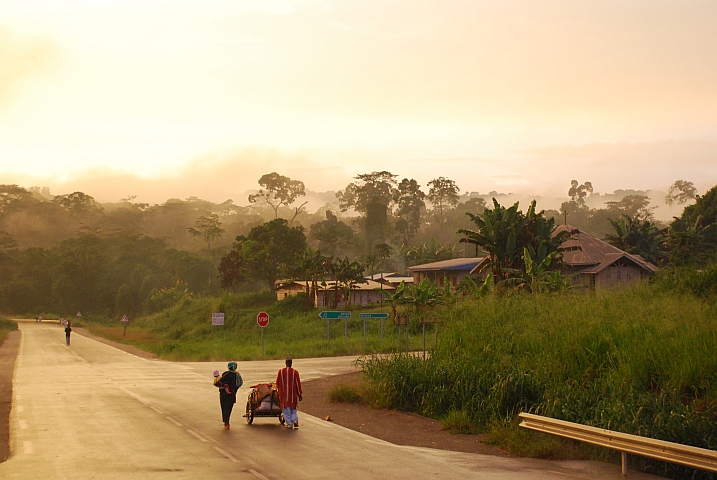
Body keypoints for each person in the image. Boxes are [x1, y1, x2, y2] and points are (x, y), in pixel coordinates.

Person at [275, 356, 303, 429]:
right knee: (293, 409)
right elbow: (298, 384)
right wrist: (299, 394)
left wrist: (278, 391)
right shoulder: (295, 372)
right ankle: (295, 420)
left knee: (285, 409)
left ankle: (290, 424)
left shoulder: (281, 372)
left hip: (284, 394)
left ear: (285, 363)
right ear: (291, 363)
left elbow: (277, 382)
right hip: (293, 395)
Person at [214, 361, 243, 429]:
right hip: (232, 394)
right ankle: (227, 421)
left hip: (224, 395)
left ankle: (226, 422)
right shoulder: (237, 375)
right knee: (229, 408)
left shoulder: (225, 374)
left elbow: (219, 383)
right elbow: (239, 384)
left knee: (224, 408)